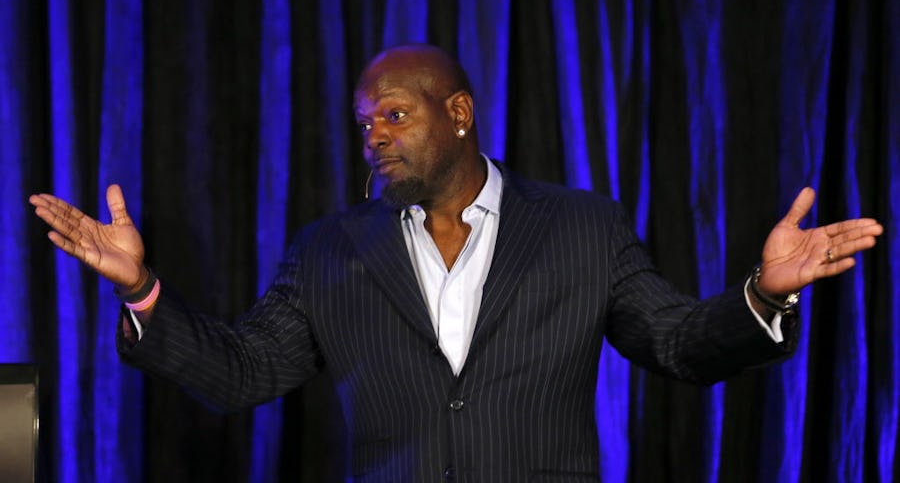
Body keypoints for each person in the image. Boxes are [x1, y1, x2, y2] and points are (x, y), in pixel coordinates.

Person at [30, 44, 883, 481]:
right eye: (366, 124)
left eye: (394, 115)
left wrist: (762, 293)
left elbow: (676, 342)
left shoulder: (583, 227)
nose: (375, 136)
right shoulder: (330, 248)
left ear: (460, 112)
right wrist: (142, 290)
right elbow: (243, 372)